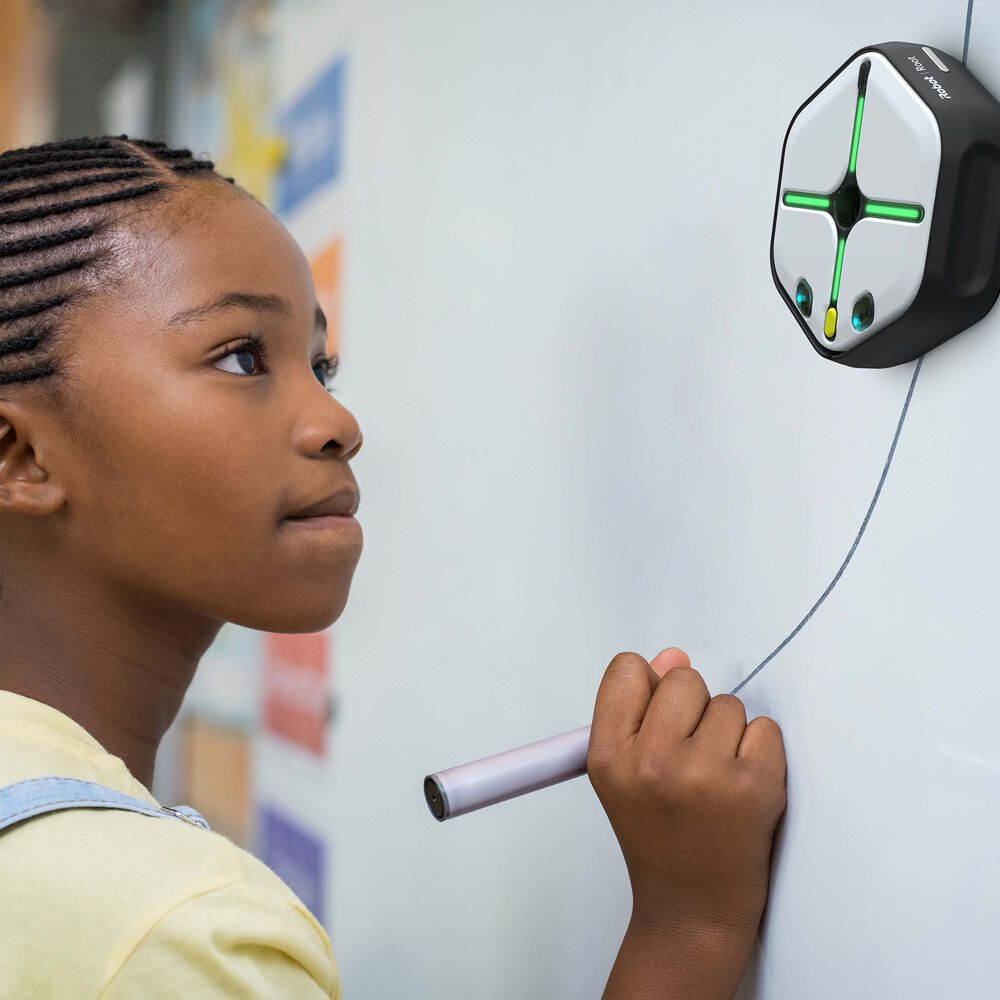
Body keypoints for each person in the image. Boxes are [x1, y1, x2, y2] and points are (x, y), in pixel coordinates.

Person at [0, 135, 785, 999]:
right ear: (21, 457)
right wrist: (687, 928)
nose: (338, 420)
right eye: (242, 357)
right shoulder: (166, 936)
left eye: (322, 364)